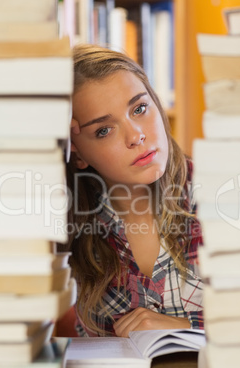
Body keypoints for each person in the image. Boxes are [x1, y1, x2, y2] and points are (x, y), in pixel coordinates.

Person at [59, 43, 204, 337]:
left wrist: (187, 328)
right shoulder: (67, 221)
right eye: (104, 130)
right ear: (77, 153)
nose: (136, 135)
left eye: (139, 108)